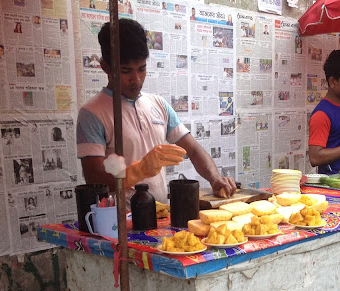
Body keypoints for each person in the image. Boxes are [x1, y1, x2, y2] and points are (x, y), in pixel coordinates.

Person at [76, 18, 236, 204]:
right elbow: (95, 178)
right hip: (120, 223)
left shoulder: (158, 104)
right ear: (106, 67)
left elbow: (193, 150)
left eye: (142, 69)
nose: (136, 79)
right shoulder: (93, 113)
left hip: (160, 217)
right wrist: (139, 170)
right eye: (126, 71)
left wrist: (215, 178)